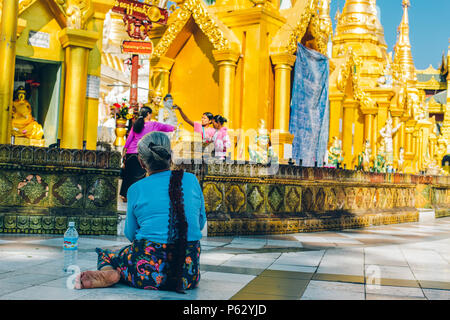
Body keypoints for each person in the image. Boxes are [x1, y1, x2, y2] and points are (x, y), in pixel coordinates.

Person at [75, 131, 206, 293]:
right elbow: (200, 223)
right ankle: (120, 272)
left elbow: (131, 234)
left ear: (141, 162)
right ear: (170, 156)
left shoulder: (136, 189)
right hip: (187, 274)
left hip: (145, 273)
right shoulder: (192, 180)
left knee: (107, 254)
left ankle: (111, 272)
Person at [120, 106, 175, 202]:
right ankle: (135, 196)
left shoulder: (136, 124)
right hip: (141, 152)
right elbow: (166, 128)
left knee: (128, 174)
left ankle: (124, 195)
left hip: (131, 152)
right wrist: (175, 127)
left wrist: (125, 150)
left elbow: (129, 139)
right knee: (139, 175)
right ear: (148, 114)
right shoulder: (153, 124)